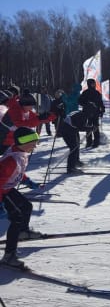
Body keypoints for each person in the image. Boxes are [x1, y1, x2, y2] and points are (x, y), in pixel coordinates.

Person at [0, 127, 44, 267]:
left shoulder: (21, 153)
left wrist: (27, 181)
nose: (35, 146)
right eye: (33, 143)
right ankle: (9, 256)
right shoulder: (11, 160)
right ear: (23, 142)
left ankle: (23, 232)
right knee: (16, 218)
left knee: (26, 206)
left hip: (7, 188)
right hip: (2, 191)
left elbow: (18, 171)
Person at [0, 89, 55, 155]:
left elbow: (35, 118)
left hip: (12, 140)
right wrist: (39, 119)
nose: (32, 108)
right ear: (25, 104)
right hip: (4, 139)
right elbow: (21, 125)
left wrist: (51, 115)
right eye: (31, 106)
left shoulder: (25, 110)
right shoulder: (15, 109)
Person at [60, 103, 96, 174]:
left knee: (77, 145)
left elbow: (79, 125)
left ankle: (76, 161)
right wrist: (91, 128)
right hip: (67, 130)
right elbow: (81, 127)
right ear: (89, 111)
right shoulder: (83, 116)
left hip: (72, 129)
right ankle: (70, 168)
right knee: (73, 148)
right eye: (92, 111)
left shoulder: (81, 114)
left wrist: (90, 128)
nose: (93, 114)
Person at [78, 79, 105, 148]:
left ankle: (96, 142)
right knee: (88, 127)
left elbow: (100, 102)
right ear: (89, 84)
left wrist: (102, 110)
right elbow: (80, 101)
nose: (93, 85)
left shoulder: (97, 93)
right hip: (87, 113)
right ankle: (89, 142)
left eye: (94, 83)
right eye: (92, 83)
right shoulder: (85, 92)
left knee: (96, 127)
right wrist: (87, 103)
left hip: (96, 113)